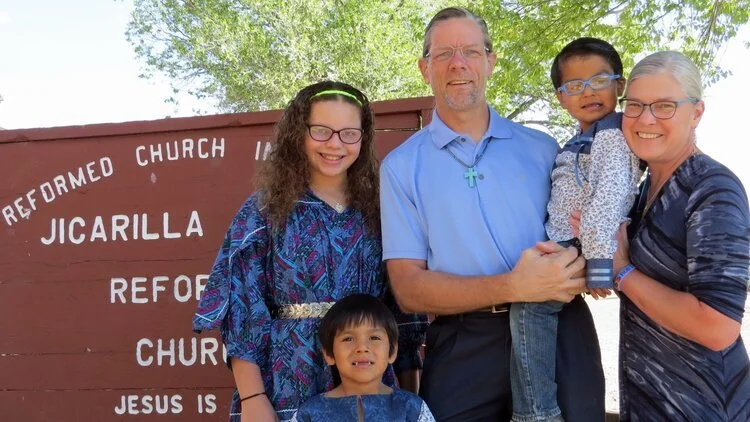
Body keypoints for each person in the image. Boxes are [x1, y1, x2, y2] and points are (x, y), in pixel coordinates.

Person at [380, 6, 605, 421]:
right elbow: (409, 289)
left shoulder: (543, 149)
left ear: (491, 61)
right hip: (463, 342)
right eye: (444, 54)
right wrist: (513, 285)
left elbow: (583, 232)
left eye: (470, 51)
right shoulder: (400, 167)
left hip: (558, 328)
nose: (458, 64)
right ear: (423, 68)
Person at [193, 80, 427, 422]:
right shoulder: (265, 210)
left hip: (371, 378)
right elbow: (243, 307)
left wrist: (410, 392)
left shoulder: (383, 209)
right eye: (322, 130)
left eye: (349, 133)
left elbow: (403, 312)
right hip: (287, 378)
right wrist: (253, 397)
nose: (335, 144)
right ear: (298, 133)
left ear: (363, 138)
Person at [509, 37, 642, 422]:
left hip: (580, 244)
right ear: (560, 98)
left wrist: (600, 265)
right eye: (575, 86)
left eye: (600, 80)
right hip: (572, 241)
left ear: (619, 85)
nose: (589, 92)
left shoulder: (612, 136)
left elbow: (608, 201)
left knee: (530, 308)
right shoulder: (584, 138)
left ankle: (537, 413)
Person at [612, 51, 750, 420]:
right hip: (650, 400)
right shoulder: (641, 188)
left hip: (701, 404)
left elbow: (718, 326)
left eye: (664, 106)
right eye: (635, 105)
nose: (645, 119)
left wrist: (623, 272)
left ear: (697, 113)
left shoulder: (712, 188)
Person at [291, 294, 435, 422]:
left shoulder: (411, 408)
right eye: (348, 339)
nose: (362, 347)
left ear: (392, 352)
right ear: (329, 354)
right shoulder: (310, 413)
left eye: (374, 337)